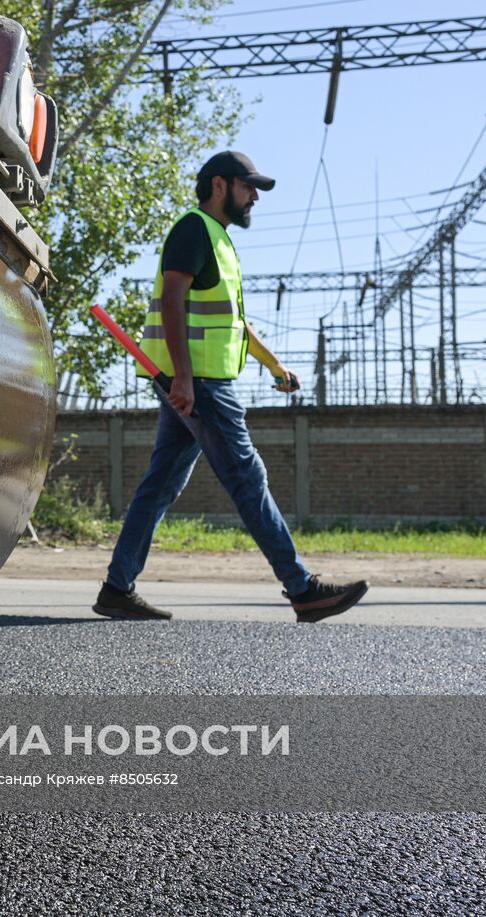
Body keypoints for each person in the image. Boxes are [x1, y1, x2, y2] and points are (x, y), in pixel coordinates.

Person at [94, 151, 369, 623]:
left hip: (200, 382)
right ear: (220, 185)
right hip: (200, 385)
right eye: (249, 186)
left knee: (159, 486)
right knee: (248, 480)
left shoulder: (218, 239)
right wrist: (182, 378)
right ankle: (302, 588)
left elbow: (234, 322)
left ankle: (117, 588)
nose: (255, 197)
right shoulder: (194, 228)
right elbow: (172, 301)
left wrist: (273, 364)